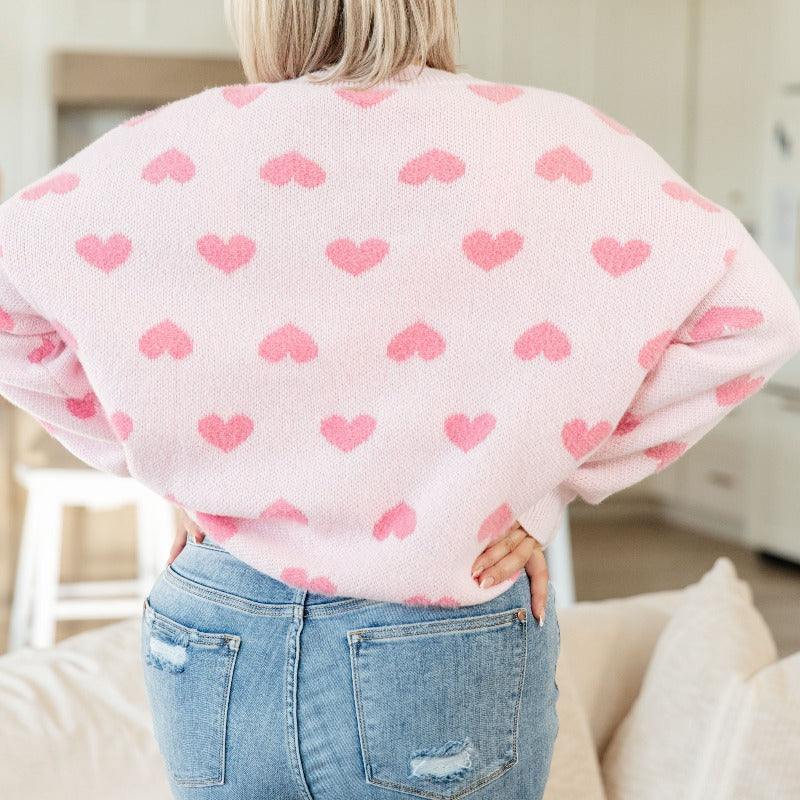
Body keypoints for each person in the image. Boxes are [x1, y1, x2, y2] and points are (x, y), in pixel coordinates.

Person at [2, 0, 800, 797]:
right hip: (438, 620)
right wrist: (562, 473)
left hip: (214, 618)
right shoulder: (556, 143)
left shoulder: (169, 147)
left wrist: (169, 461)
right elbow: (753, 317)